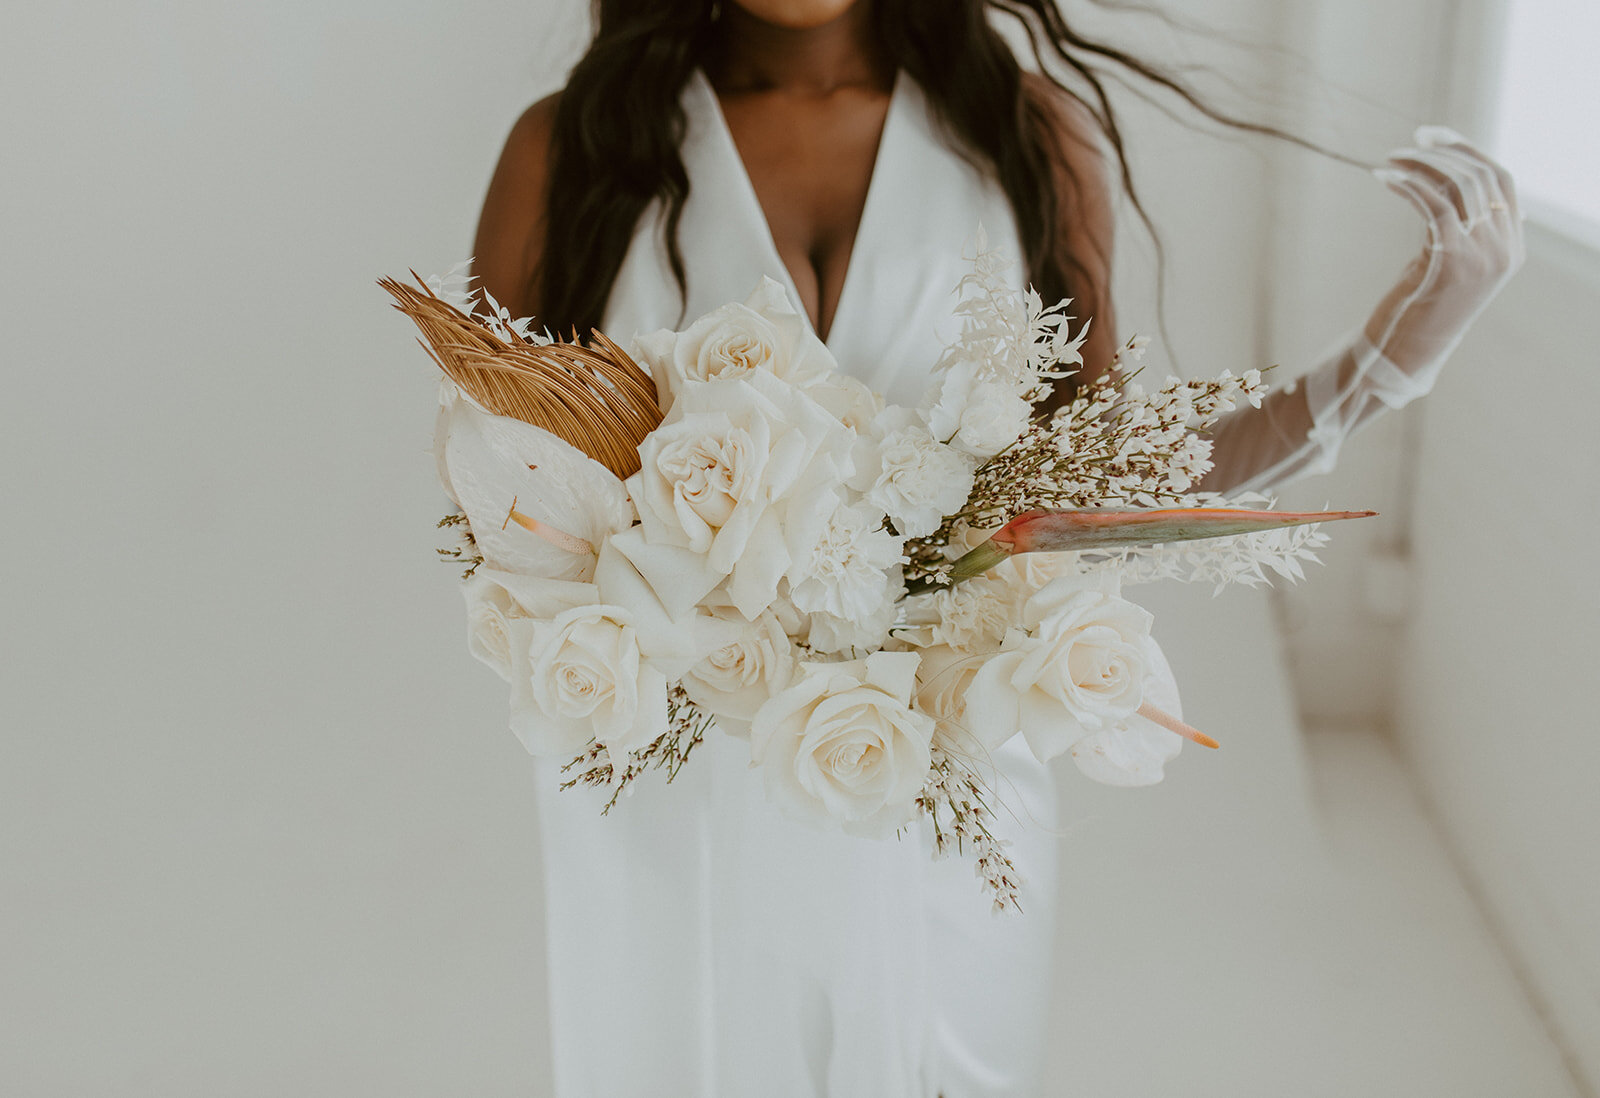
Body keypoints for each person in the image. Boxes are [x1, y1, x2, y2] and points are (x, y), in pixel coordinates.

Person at [467, 2, 1523, 1094]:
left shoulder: (1024, 136)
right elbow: (496, 496)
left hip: (938, 762)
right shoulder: (570, 148)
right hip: (671, 774)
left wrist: (1377, 366)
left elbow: (1097, 488)